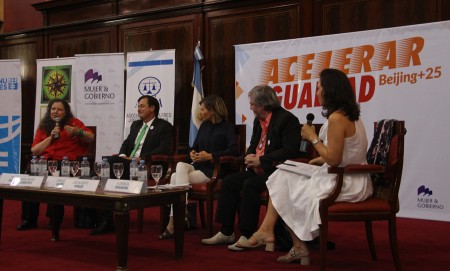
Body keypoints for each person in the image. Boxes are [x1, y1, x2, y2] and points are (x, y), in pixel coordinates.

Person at [236, 68, 373, 265]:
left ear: (330, 90)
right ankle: (272, 233)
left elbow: (334, 160)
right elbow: (344, 153)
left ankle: (287, 240)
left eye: (319, 88)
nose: (316, 93)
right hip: (345, 175)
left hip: (346, 182)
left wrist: (313, 138)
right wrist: (316, 160)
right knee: (283, 175)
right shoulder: (349, 115)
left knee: (287, 185)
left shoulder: (337, 119)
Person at [201, 85, 301, 251]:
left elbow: (290, 149)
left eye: (253, 104)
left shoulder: (287, 119)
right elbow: (254, 144)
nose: (250, 107)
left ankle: (247, 233)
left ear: (263, 105)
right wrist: (248, 157)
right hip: (256, 169)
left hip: (276, 172)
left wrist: (262, 160)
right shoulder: (258, 121)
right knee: (229, 181)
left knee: (250, 185)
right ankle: (226, 231)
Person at [91, 95, 173, 235]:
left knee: (107, 167)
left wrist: (140, 158)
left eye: (142, 106)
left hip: (146, 167)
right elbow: (126, 144)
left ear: (152, 108)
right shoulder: (136, 125)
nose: (138, 109)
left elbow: (164, 149)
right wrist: (123, 156)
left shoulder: (164, 126)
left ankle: (107, 220)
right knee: (107, 167)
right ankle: (106, 218)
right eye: (138, 106)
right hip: (129, 164)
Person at [159, 95, 237, 239]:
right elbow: (193, 147)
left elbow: (233, 151)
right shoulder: (204, 126)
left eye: (202, 109)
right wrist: (192, 153)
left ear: (213, 110)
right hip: (199, 166)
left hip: (214, 170)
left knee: (176, 177)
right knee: (181, 165)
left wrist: (211, 156)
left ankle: (174, 220)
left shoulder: (227, 127)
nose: (200, 113)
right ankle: (182, 213)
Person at [17, 98, 94, 230]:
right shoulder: (44, 126)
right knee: (29, 176)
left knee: (55, 172)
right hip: (45, 163)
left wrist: (78, 132)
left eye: (59, 109)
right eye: (53, 109)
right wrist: (50, 138)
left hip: (67, 164)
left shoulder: (74, 123)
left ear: (66, 112)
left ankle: (54, 219)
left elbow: (90, 137)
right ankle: (29, 219)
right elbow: (34, 150)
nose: (55, 112)